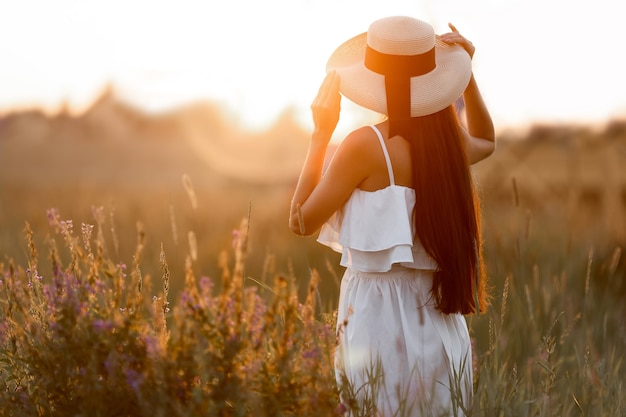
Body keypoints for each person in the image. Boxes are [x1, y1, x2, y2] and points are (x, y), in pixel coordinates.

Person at [289, 16, 495, 416]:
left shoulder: (364, 146)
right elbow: (486, 140)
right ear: (435, 80)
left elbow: (300, 220)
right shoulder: (448, 146)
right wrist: (466, 76)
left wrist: (320, 134)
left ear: (375, 81)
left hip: (375, 319)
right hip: (439, 318)